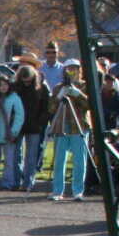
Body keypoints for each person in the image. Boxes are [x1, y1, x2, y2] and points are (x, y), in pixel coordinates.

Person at [47, 63, 90, 202]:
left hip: (79, 126)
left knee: (79, 161)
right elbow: (51, 108)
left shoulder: (85, 86)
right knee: (59, 160)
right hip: (62, 126)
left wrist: (77, 93)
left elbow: (89, 105)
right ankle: (57, 191)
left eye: (75, 69)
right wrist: (60, 96)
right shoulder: (58, 87)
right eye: (69, 69)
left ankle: (78, 191)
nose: (72, 72)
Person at [12, 64, 52, 192]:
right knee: (16, 155)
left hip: (35, 125)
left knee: (31, 156)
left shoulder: (42, 88)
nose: (27, 84)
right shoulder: (15, 87)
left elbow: (46, 108)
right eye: (24, 81)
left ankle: (28, 182)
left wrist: (41, 123)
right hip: (18, 125)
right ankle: (16, 181)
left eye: (29, 81)